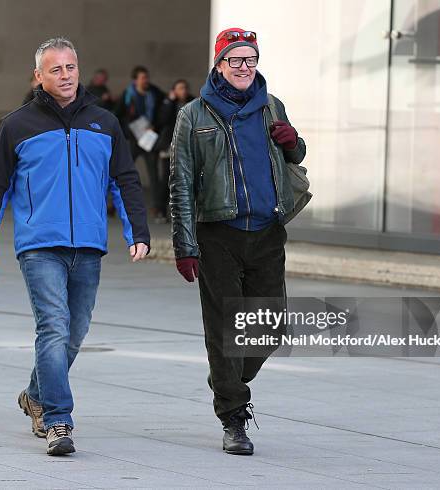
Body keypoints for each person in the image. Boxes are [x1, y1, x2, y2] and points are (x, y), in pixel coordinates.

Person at [0, 37, 150, 456]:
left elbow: (124, 179)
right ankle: (58, 420)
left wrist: (136, 231)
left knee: (75, 331)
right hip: (39, 245)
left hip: (88, 244)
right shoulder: (16, 125)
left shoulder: (104, 122)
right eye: (55, 69)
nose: (65, 75)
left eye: (70, 67)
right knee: (52, 327)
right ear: (39, 76)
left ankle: (35, 394)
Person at [169, 28, 306, 455]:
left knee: (269, 328)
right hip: (218, 236)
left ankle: (225, 377)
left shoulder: (272, 107)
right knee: (225, 328)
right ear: (219, 65)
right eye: (236, 60)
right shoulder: (193, 115)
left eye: (251, 59)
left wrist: (294, 144)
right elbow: (181, 183)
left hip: (267, 233)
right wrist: (184, 244)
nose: (245, 67)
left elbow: (293, 156)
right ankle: (233, 415)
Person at [114, 66, 165, 219]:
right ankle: (114, 203)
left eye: (147, 77)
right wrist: (128, 130)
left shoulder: (154, 92)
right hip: (133, 139)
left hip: (149, 138)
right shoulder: (128, 95)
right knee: (123, 171)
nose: (146, 81)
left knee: (154, 174)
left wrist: (155, 125)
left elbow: (163, 111)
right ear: (135, 80)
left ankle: (157, 207)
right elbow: (118, 114)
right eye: (143, 78)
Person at [155, 79, 194, 221]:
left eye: (185, 88)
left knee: (186, 179)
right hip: (169, 145)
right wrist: (169, 102)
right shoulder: (168, 102)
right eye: (180, 88)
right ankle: (161, 210)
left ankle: (185, 213)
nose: (183, 91)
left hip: (187, 146)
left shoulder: (193, 102)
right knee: (166, 179)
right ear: (174, 91)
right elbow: (161, 120)